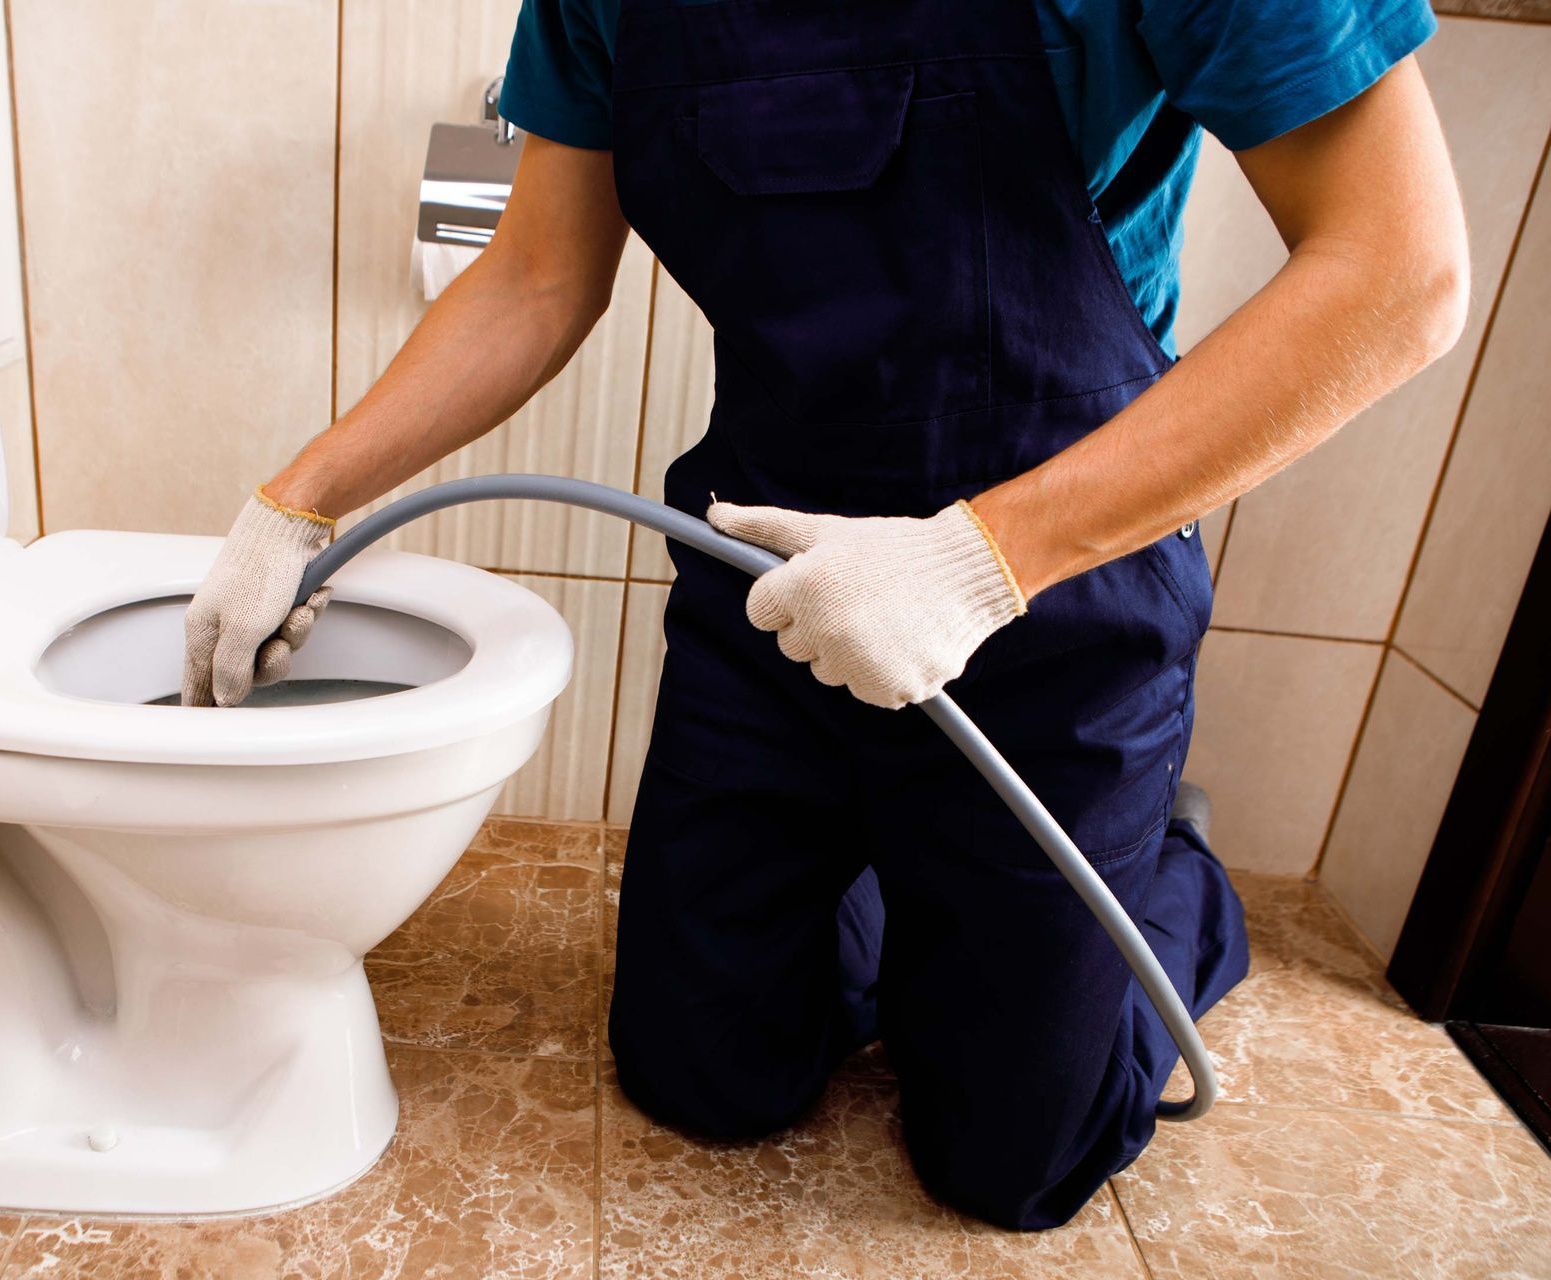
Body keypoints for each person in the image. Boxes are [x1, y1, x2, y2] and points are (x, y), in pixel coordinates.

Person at [180, 0, 1468, 1231]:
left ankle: (1164, 871)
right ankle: (913, 875)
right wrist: (296, 502)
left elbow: (1398, 271)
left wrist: (979, 560)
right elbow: (534, 276)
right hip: (771, 581)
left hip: (1052, 593)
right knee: (703, 1078)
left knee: (1016, 1161)